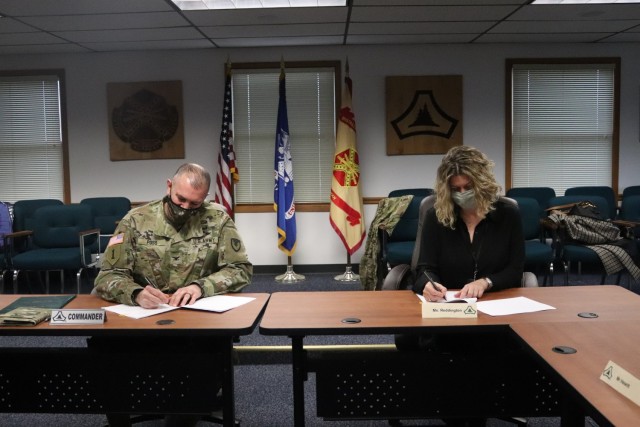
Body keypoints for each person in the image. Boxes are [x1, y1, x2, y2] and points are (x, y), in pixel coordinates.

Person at [92, 162, 253, 427]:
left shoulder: (217, 219)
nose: (185, 208)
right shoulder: (135, 220)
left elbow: (240, 270)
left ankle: (183, 415)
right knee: (106, 349)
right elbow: (107, 276)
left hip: (196, 320)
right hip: (144, 317)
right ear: (169, 186)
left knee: (201, 362)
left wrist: (201, 287)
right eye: (180, 199)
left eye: (195, 204)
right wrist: (135, 293)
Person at [396, 146, 525, 427]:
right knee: (449, 352)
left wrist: (486, 282)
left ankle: (470, 411)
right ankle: (460, 412)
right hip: (449, 311)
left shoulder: (507, 215)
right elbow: (424, 268)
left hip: (492, 309)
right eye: (455, 188)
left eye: (468, 186)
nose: (462, 193)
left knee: (483, 354)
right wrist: (428, 285)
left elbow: (515, 271)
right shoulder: (437, 215)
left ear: (482, 183)